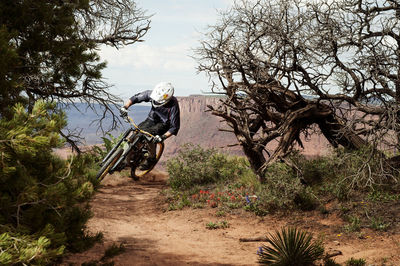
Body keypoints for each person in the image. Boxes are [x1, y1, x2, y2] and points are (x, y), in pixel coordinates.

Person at [119, 82, 180, 171]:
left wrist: (163, 137)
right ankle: (126, 159)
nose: (156, 102)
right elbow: (135, 98)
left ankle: (151, 158)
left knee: (149, 136)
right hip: (151, 119)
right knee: (136, 133)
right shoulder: (152, 94)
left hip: (163, 124)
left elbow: (174, 127)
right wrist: (125, 107)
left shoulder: (173, 105)